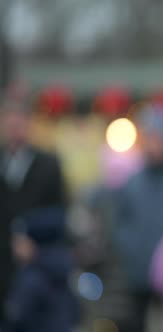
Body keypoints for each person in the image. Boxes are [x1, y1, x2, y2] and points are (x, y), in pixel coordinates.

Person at [112, 103, 163, 332]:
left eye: (158, 137)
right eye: (148, 137)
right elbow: (120, 221)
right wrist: (129, 248)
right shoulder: (133, 181)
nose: (153, 143)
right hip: (137, 274)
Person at [0, 99, 67, 324]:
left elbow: (60, 215)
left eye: (20, 118)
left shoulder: (48, 164)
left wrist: (35, 244)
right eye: (9, 117)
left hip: (41, 267)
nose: (14, 124)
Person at [3, 207, 79, 332]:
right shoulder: (64, 270)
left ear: (31, 243)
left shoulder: (31, 278)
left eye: (18, 240)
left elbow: (15, 319)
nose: (13, 245)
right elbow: (75, 312)